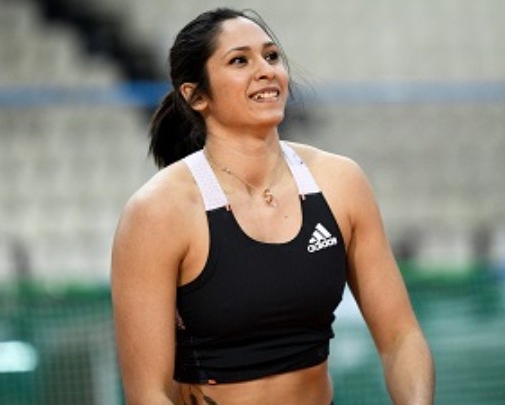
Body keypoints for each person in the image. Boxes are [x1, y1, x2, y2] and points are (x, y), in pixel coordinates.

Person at [110, 7, 435, 405]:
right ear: (195, 95)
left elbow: (401, 337)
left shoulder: (341, 182)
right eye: (239, 61)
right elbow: (147, 393)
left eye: (271, 56)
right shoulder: (157, 211)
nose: (265, 70)